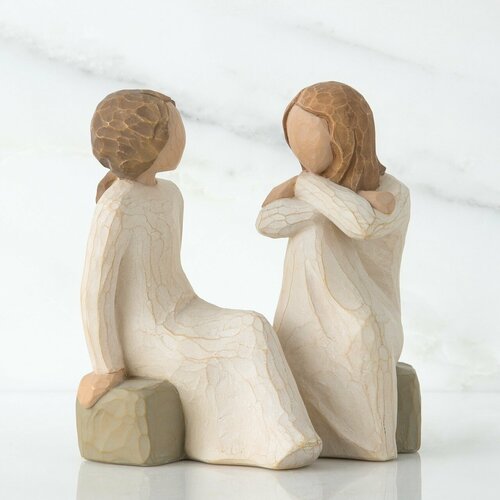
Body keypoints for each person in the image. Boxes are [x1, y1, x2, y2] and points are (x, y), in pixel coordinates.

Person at [77, 89, 321, 469]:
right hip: (148, 334)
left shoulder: (170, 195)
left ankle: (283, 437)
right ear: (149, 139)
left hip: (182, 309)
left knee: (251, 326)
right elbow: (95, 292)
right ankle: (256, 443)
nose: (183, 137)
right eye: (175, 129)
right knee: (228, 342)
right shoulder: (115, 207)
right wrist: (106, 365)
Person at [256, 82, 410, 461]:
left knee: (371, 440)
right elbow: (267, 221)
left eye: (307, 136)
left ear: (343, 137)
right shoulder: (319, 189)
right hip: (300, 324)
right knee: (312, 228)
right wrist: (319, 191)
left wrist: (306, 186)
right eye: (292, 138)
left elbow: (360, 223)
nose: (298, 150)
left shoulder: (396, 192)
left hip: (364, 324)